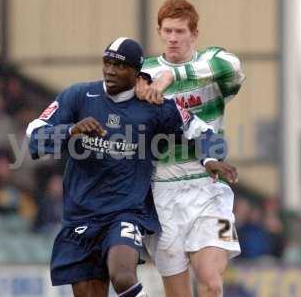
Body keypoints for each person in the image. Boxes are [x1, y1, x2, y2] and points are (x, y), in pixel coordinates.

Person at [26, 37, 237, 297]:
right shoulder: (78, 96)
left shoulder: (153, 106)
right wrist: (70, 130)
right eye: (107, 62)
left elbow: (199, 128)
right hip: (80, 216)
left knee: (123, 276)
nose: (111, 70)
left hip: (125, 212)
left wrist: (209, 158)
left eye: (120, 65)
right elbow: (35, 133)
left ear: (138, 73)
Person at [136, 0, 245, 297]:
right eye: (167, 31)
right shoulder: (144, 72)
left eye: (180, 31)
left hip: (209, 187)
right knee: (178, 292)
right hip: (161, 192)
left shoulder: (213, 63)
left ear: (194, 34)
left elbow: (233, 67)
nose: (173, 38)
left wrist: (174, 75)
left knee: (210, 281)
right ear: (158, 31)